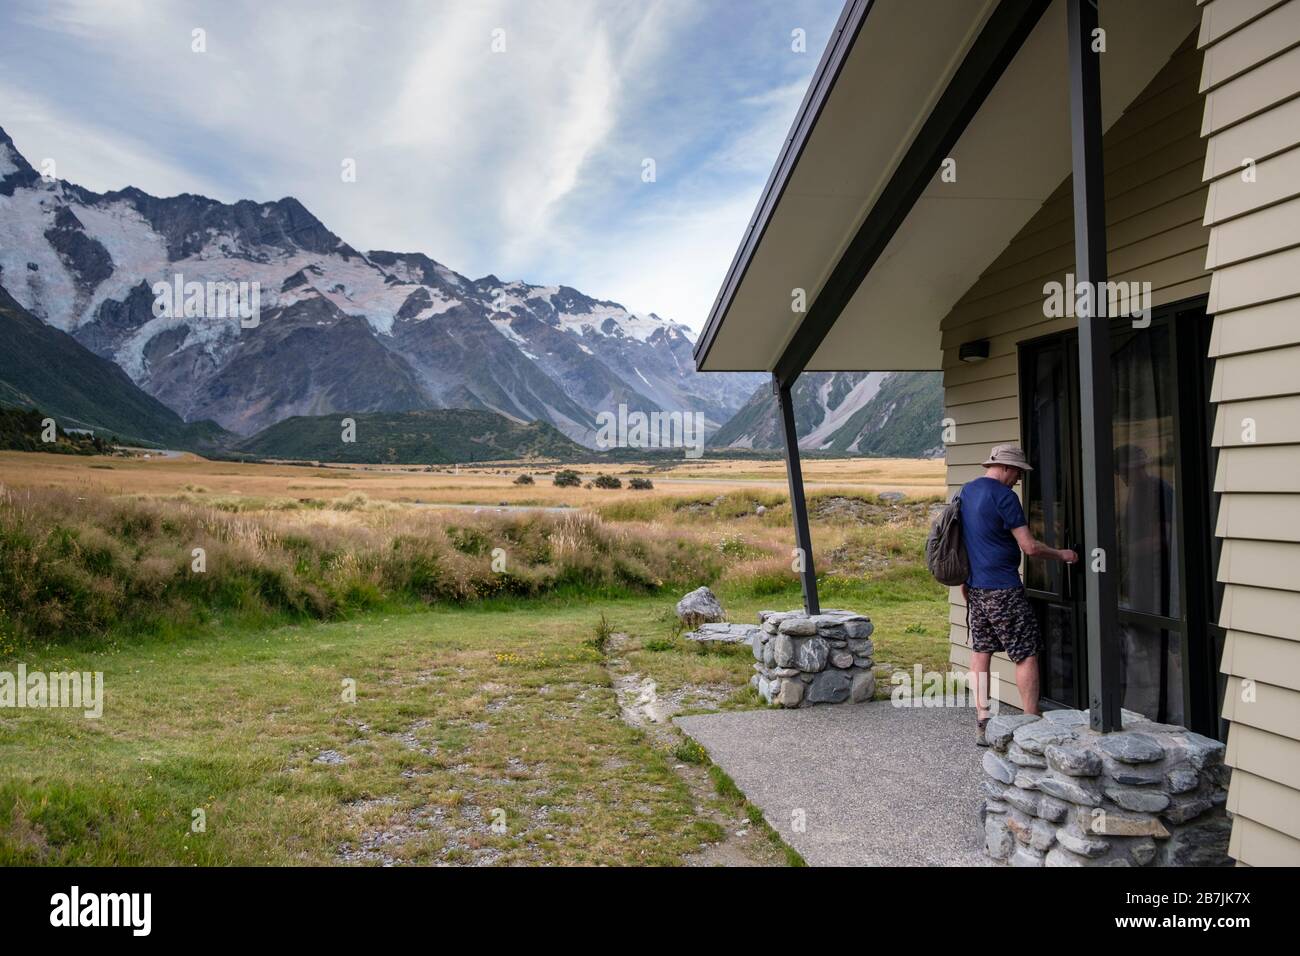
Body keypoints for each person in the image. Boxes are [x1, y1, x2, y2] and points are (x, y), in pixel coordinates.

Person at [963, 444, 1077, 746]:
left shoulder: (967, 491)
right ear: (1007, 468)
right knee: (1025, 653)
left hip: (976, 588)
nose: (1017, 480)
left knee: (981, 650)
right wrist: (1062, 554)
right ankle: (1031, 722)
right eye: (1018, 474)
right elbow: (1030, 547)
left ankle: (982, 719)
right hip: (1003, 588)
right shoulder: (1004, 497)